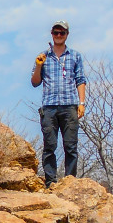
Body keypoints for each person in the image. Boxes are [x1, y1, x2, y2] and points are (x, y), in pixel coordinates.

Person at [31, 20, 87, 187]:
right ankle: (50, 182)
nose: (59, 35)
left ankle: (70, 182)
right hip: (49, 106)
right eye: (56, 32)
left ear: (67, 35)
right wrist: (39, 66)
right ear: (51, 34)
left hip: (69, 105)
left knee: (71, 146)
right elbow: (34, 82)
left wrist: (82, 103)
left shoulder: (75, 56)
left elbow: (80, 80)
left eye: (62, 33)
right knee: (50, 146)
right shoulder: (42, 56)